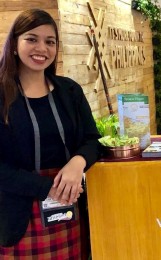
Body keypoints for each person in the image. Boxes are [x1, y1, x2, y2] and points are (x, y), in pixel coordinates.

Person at [0, 9, 101, 258]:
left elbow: (92, 140)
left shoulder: (69, 91)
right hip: (19, 213)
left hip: (71, 205)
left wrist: (78, 163)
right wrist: (48, 187)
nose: (41, 48)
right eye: (32, 39)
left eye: (50, 41)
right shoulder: (2, 95)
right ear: (14, 44)